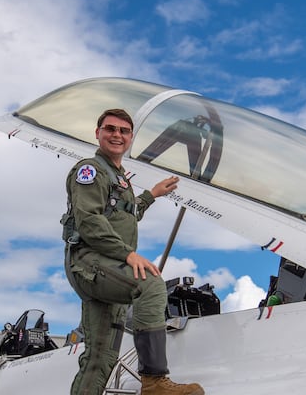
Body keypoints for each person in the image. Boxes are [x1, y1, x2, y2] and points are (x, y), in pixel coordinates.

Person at [63, 108, 205, 395]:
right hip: (89, 262)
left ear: (130, 138)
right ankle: (154, 382)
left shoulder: (120, 178)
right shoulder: (89, 170)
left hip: (106, 267)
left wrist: (152, 194)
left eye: (123, 131)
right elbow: (90, 222)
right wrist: (129, 254)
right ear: (98, 133)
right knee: (150, 283)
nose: (117, 135)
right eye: (110, 129)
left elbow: (125, 213)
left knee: (101, 358)